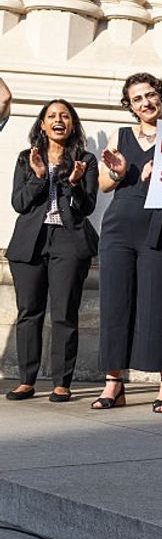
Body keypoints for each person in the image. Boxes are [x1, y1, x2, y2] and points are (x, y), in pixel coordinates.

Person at [94, 73, 162, 412]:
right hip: (119, 228)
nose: (145, 103)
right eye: (137, 99)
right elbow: (104, 185)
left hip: (161, 227)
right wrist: (117, 171)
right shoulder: (122, 135)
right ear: (130, 106)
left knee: (160, 303)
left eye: (149, 95)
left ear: (161, 95)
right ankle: (114, 383)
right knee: (115, 304)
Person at [6, 99, 98, 402]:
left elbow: (87, 207)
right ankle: (27, 380)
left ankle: (62, 382)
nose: (59, 120)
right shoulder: (25, 158)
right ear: (42, 124)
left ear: (72, 124)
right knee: (29, 312)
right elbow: (19, 203)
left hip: (68, 241)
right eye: (52, 116)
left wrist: (73, 183)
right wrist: (39, 176)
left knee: (63, 313)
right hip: (30, 242)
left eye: (65, 116)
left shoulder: (85, 159)